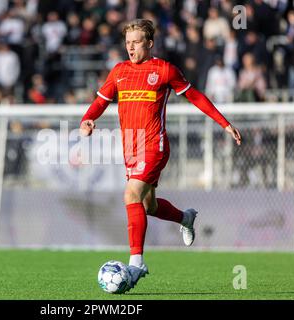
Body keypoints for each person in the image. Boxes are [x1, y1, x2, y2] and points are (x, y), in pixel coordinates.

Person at [79, 19, 242, 292]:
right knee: (148, 207)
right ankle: (185, 218)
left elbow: (196, 97)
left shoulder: (164, 70)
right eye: (127, 43)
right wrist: (87, 119)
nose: (130, 47)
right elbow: (100, 102)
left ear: (149, 43)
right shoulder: (119, 72)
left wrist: (224, 123)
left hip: (155, 145)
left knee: (130, 194)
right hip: (131, 147)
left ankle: (136, 262)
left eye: (137, 42)